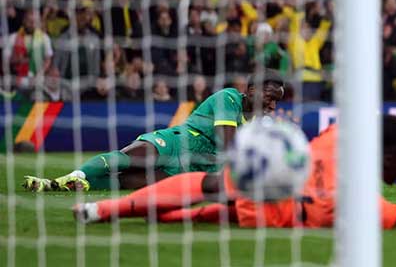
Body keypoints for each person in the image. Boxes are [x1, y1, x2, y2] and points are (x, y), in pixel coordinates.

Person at [73, 115, 396, 230]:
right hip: (273, 214)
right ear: (386, 157)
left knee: (208, 195)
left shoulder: (339, 135)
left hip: (268, 183)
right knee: (208, 206)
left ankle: (104, 210)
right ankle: (119, 210)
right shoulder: (360, 206)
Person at [23, 70, 286, 192]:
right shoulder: (229, 98)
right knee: (126, 159)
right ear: (253, 90)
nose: (273, 106)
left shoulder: (257, 125)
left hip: (192, 168)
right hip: (177, 143)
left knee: (125, 183)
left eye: (276, 101)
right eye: (270, 97)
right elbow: (228, 145)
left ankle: (69, 185)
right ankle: (65, 178)